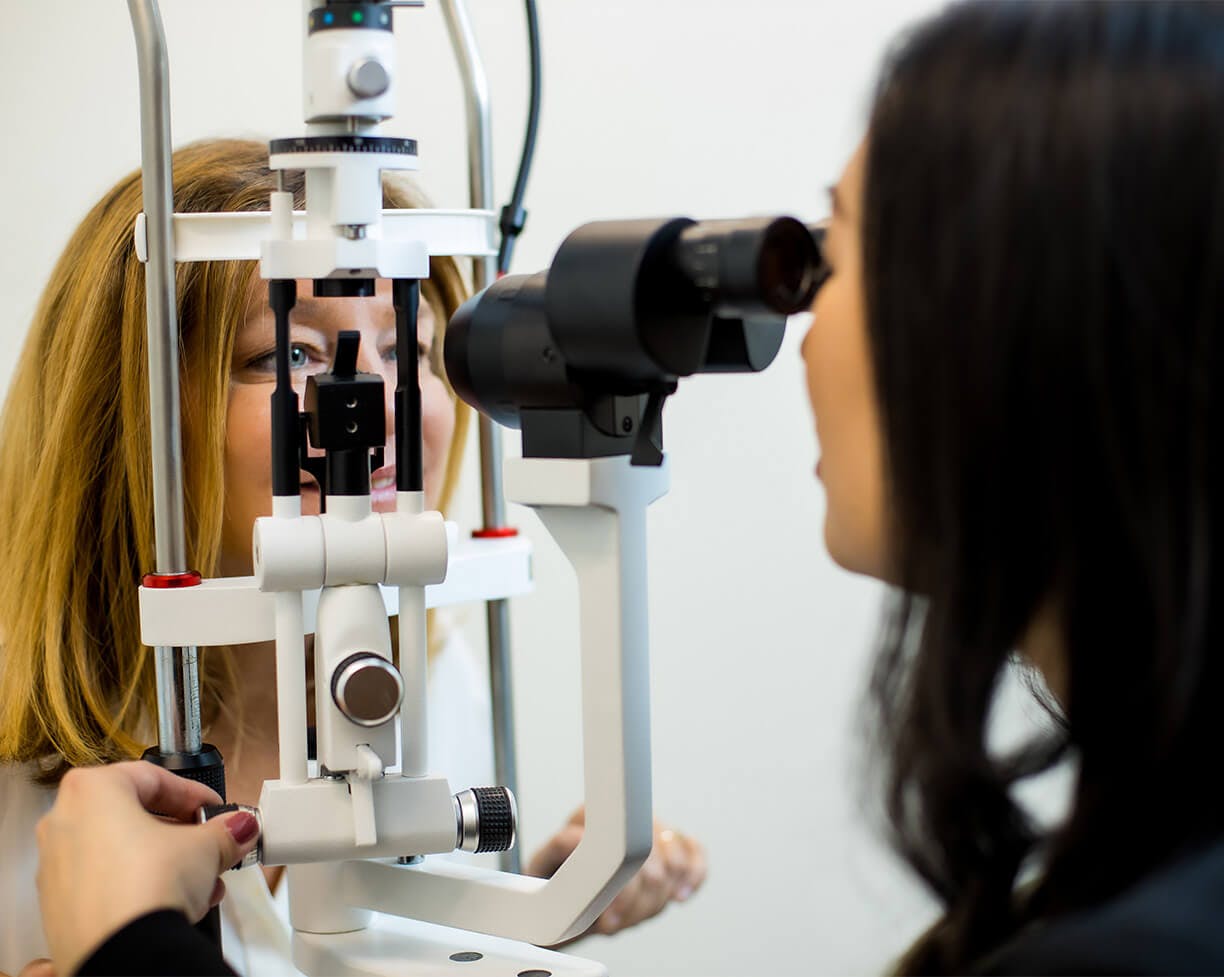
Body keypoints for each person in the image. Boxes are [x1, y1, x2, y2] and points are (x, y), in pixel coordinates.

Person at [0, 139, 705, 977]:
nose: (366, 403)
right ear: (128, 420)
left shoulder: (433, 680)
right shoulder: (24, 777)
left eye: (411, 349)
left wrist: (522, 909)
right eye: (288, 355)